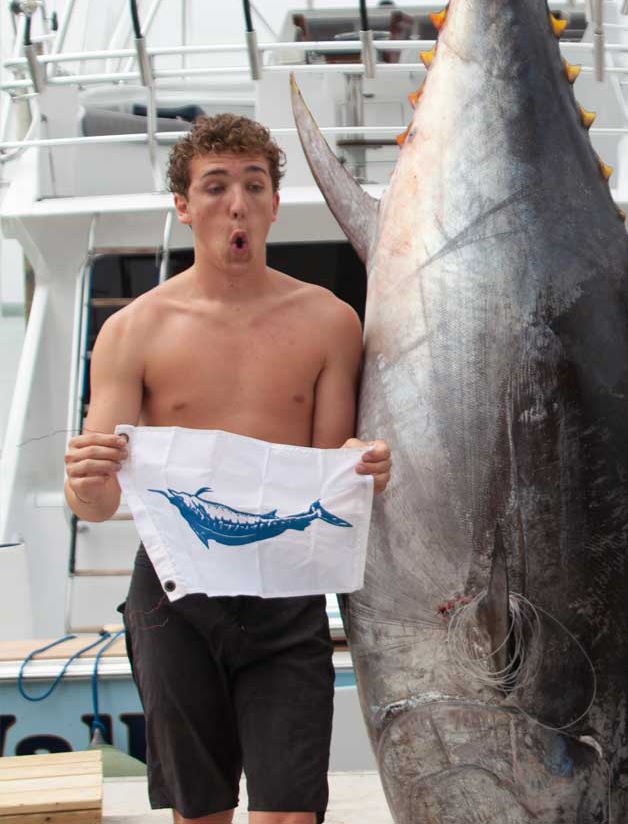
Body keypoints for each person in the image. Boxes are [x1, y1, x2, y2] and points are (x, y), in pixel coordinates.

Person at [63, 114, 391, 824]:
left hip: (287, 595)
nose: (236, 203)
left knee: (290, 813)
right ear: (182, 204)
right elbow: (93, 501)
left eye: (254, 184)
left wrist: (363, 468)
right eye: (215, 187)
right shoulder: (131, 330)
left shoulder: (331, 322)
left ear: (274, 201)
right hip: (174, 599)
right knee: (200, 812)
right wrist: (83, 477)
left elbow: (329, 464)